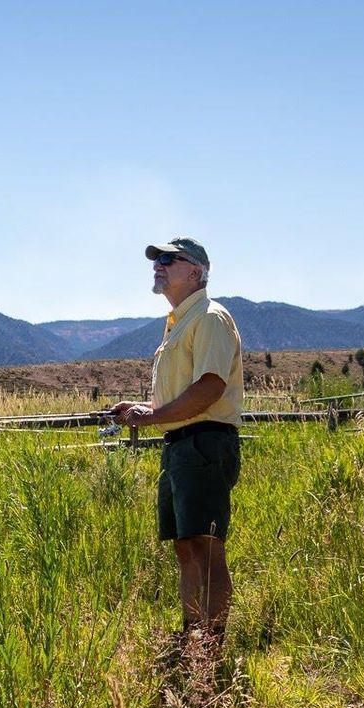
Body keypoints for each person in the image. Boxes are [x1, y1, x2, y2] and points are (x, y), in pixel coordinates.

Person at [109, 237, 243, 642]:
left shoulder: (209, 318)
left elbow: (209, 388)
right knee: (186, 546)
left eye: (169, 259)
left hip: (204, 441)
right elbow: (184, 392)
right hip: (182, 443)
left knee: (205, 544)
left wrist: (153, 416)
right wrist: (144, 407)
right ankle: (194, 637)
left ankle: (211, 643)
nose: (159, 265)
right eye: (157, 260)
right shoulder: (181, 322)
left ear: (195, 272)